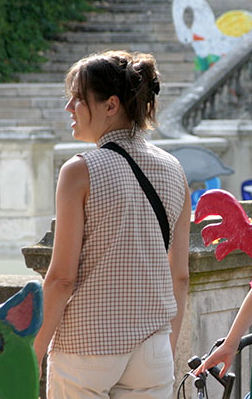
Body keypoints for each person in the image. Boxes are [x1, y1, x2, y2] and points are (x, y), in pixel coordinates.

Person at [33, 50, 191, 399]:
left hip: (86, 346)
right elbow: (179, 276)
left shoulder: (79, 171)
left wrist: (34, 351)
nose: (69, 108)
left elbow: (61, 279)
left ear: (111, 105)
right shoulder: (175, 171)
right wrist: (167, 345)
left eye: (78, 98)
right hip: (153, 349)